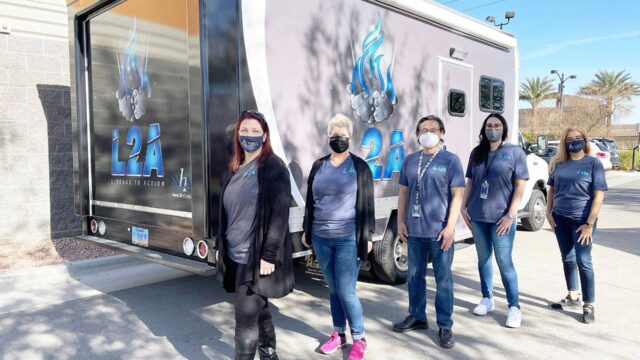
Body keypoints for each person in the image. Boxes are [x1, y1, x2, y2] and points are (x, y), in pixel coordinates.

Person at [216, 110, 294, 360]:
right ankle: (269, 354)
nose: (249, 135)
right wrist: (220, 244)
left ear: (265, 135)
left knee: (245, 317)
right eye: (245, 130)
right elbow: (227, 213)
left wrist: (269, 255)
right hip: (235, 254)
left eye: (255, 131)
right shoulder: (234, 168)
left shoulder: (274, 168)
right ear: (238, 134)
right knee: (259, 309)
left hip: (255, 257)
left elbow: (279, 215)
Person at [301, 113, 375, 360]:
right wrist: (307, 230)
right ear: (328, 137)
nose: (338, 139)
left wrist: (368, 235)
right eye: (334, 135)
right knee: (332, 288)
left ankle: (359, 338)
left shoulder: (359, 167)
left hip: (347, 238)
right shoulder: (318, 166)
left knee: (346, 290)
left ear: (350, 138)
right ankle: (338, 335)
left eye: (343, 136)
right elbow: (311, 202)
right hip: (321, 237)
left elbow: (367, 204)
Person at [391, 115, 465, 349]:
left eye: (432, 129)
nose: (427, 133)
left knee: (443, 280)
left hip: (440, 232)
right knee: (414, 277)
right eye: (423, 129)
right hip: (415, 231)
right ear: (417, 134)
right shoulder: (411, 160)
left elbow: (457, 196)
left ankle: (445, 324)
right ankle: (417, 316)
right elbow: (403, 192)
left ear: (442, 133)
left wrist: (450, 227)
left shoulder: (451, 160)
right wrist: (401, 221)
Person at [461, 113, 528, 328]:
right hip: (478, 217)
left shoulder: (515, 152)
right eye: (489, 125)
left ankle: (514, 307)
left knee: (504, 262)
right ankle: (487, 298)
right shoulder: (477, 153)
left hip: (502, 219)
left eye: (497, 125)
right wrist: (463, 207)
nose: (493, 128)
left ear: (504, 129)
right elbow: (470, 182)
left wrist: (511, 214)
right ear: (484, 129)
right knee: (483, 259)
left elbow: (520, 186)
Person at [546, 127, 607, 324]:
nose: (574, 141)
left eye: (578, 138)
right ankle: (573, 297)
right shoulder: (558, 163)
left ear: (585, 140)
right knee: (567, 257)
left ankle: (588, 304)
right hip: (560, 218)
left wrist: (590, 222)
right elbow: (551, 189)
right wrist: (548, 212)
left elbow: (599, 194)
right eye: (570, 139)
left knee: (583, 260)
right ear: (564, 142)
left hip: (583, 220)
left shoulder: (593, 163)